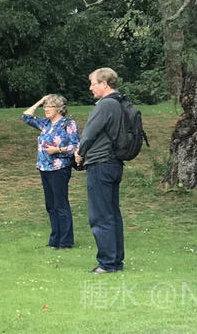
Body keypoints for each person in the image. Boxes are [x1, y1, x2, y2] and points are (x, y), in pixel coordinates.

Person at [74, 67, 124, 274]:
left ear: (104, 84)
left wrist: (80, 152)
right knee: (112, 214)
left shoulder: (105, 105)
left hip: (100, 163)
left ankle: (107, 263)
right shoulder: (120, 102)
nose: (90, 88)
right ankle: (115, 260)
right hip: (114, 162)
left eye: (93, 83)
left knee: (100, 216)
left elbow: (89, 133)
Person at [22, 94, 79, 249]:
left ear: (59, 108)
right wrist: (40, 101)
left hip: (59, 167)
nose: (46, 109)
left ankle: (66, 241)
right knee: (51, 205)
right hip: (44, 167)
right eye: (45, 106)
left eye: (49, 106)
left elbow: (76, 146)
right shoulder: (45, 123)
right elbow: (26, 116)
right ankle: (54, 239)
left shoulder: (68, 124)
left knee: (61, 204)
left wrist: (57, 149)